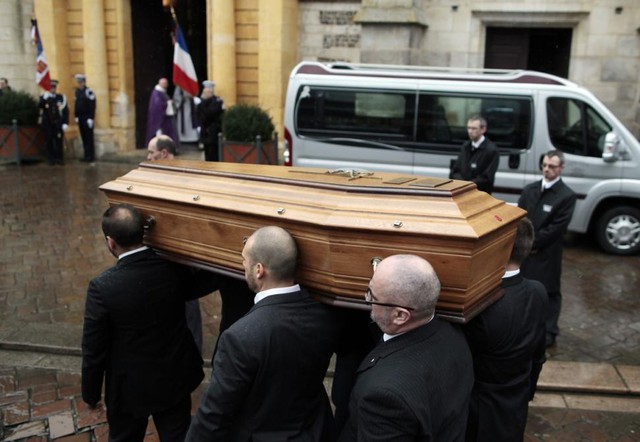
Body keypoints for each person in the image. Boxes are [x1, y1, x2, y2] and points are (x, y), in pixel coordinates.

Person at [186, 226, 342, 441]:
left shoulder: (239, 337)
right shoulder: (325, 318)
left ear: (259, 270)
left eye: (244, 260)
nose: (242, 265)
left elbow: (214, 415)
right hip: (315, 432)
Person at [81, 204, 216, 442]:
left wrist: (91, 394)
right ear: (143, 232)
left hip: (128, 389)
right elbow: (202, 283)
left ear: (110, 242)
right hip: (174, 378)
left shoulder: (102, 288)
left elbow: (94, 349)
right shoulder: (172, 269)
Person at [338, 254, 474, 441]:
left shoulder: (384, 397)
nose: (366, 299)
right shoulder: (454, 336)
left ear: (400, 316)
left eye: (371, 295)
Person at [463, 217, 548, 441]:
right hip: (516, 402)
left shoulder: (481, 301)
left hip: (480, 412)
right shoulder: (538, 291)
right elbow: (539, 353)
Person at [518, 150, 576, 348]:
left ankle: (549, 331)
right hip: (526, 254)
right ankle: (525, 328)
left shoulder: (566, 196)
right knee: (526, 290)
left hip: (547, 255)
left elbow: (556, 229)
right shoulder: (529, 190)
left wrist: (532, 244)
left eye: (551, 166)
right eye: (544, 165)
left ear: (561, 168)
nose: (546, 169)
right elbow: (520, 219)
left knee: (549, 292)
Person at [450, 115, 499, 193]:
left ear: (483, 129)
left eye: (474, 128)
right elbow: (456, 170)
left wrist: (468, 185)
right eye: (469, 128)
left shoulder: (491, 150)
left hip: (480, 194)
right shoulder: (465, 147)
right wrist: (462, 184)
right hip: (461, 192)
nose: (470, 131)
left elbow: (487, 177)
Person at [38, 79, 69, 165]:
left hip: (58, 123)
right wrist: (44, 99)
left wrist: (65, 123)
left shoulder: (61, 97)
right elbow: (39, 106)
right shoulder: (44, 97)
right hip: (48, 124)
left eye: (54, 87)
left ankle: (59, 158)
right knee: (49, 141)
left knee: (58, 141)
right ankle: (50, 159)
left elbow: (65, 111)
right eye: (51, 87)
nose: (52, 89)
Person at [145, 77, 179, 148]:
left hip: (166, 118)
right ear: (160, 84)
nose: (166, 85)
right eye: (164, 83)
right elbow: (157, 105)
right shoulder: (156, 93)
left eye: (166, 83)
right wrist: (167, 103)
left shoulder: (162, 92)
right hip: (160, 119)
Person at [196, 80, 224, 161]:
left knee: (214, 154)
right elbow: (199, 116)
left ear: (210, 92)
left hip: (213, 132)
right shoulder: (202, 103)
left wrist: (202, 104)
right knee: (207, 153)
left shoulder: (216, 102)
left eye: (206, 93)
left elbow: (209, 114)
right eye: (204, 92)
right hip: (205, 132)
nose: (204, 94)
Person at [73, 74, 96, 162]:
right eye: (78, 82)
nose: (80, 84)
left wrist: (91, 117)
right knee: (83, 137)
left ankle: (90, 156)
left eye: (81, 82)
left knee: (89, 137)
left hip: (87, 118)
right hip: (81, 118)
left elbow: (92, 105)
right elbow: (76, 105)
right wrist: (76, 116)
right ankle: (86, 155)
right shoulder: (77, 92)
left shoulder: (88, 91)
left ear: (84, 82)